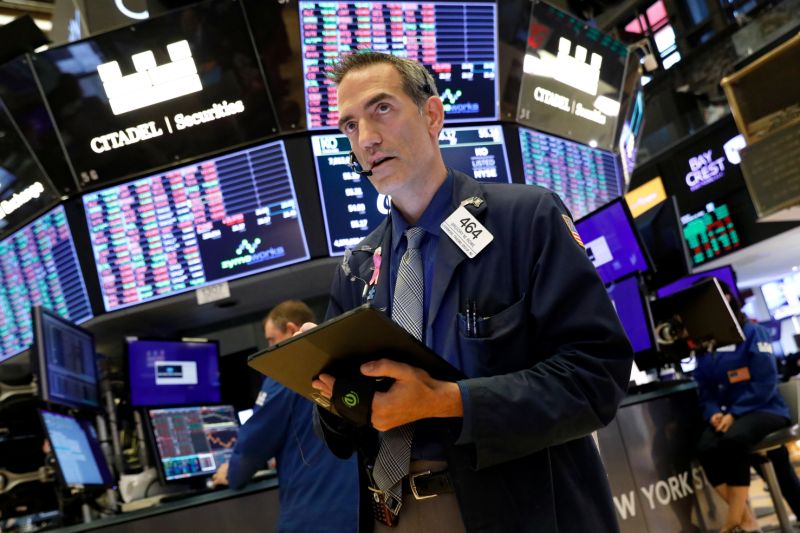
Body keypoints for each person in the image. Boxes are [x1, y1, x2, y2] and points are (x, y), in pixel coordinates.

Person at [308, 51, 634, 531]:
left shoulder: (525, 220)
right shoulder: (358, 268)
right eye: (350, 126)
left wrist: (448, 401)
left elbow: (596, 376)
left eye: (382, 109)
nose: (367, 138)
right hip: (392, 516)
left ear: (432, 115)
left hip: (516, 513)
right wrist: (329, 391)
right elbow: (339, 437)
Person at [212, 300, 359, 533]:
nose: (270, 348)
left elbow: (255, 442)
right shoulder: (342, 360)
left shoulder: (286, 373)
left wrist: (232, 473)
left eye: (271, 340)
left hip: (313, 515)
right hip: (357, 510)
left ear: (291, 330)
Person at [694, 281, 791, 533]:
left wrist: (735, 413)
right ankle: (746, 518)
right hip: (727, 414)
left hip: (766, 409)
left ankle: (732, 521)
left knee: (733, 440)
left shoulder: (752, 332)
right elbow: (705, 389)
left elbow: (765, 381)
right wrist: (714, 412)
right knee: (705, 446)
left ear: (726, 298)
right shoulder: (706, 346)